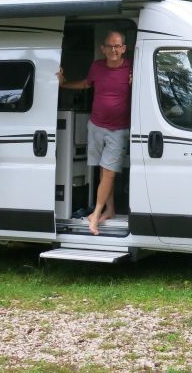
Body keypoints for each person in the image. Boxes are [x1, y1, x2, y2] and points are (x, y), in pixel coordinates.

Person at [57, 30, 132, 235]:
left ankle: (96, 214)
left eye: (118, 46)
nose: (114, 50)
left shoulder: (131, 68)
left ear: (124, 49)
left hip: (118, 130)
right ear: (103, 49)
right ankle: (110, 210)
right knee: (102, 171)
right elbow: (85, 84)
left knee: (108, 172)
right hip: (96, 125)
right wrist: (63, 84)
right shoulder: (97, 67)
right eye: (110, 46)